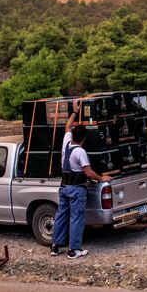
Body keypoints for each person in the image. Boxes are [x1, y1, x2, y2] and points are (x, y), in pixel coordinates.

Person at [51, 99, 112, 259]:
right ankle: (74, 250)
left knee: (61, 216)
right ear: (84, 138)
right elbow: (89, 173)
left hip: (64, 186)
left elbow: (67, 127)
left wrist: (75, 111)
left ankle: (55, 246)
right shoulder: (80, 152)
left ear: (73, 136)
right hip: (77, 189)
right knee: (76, 218)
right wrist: (102, 178)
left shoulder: (66, 144)